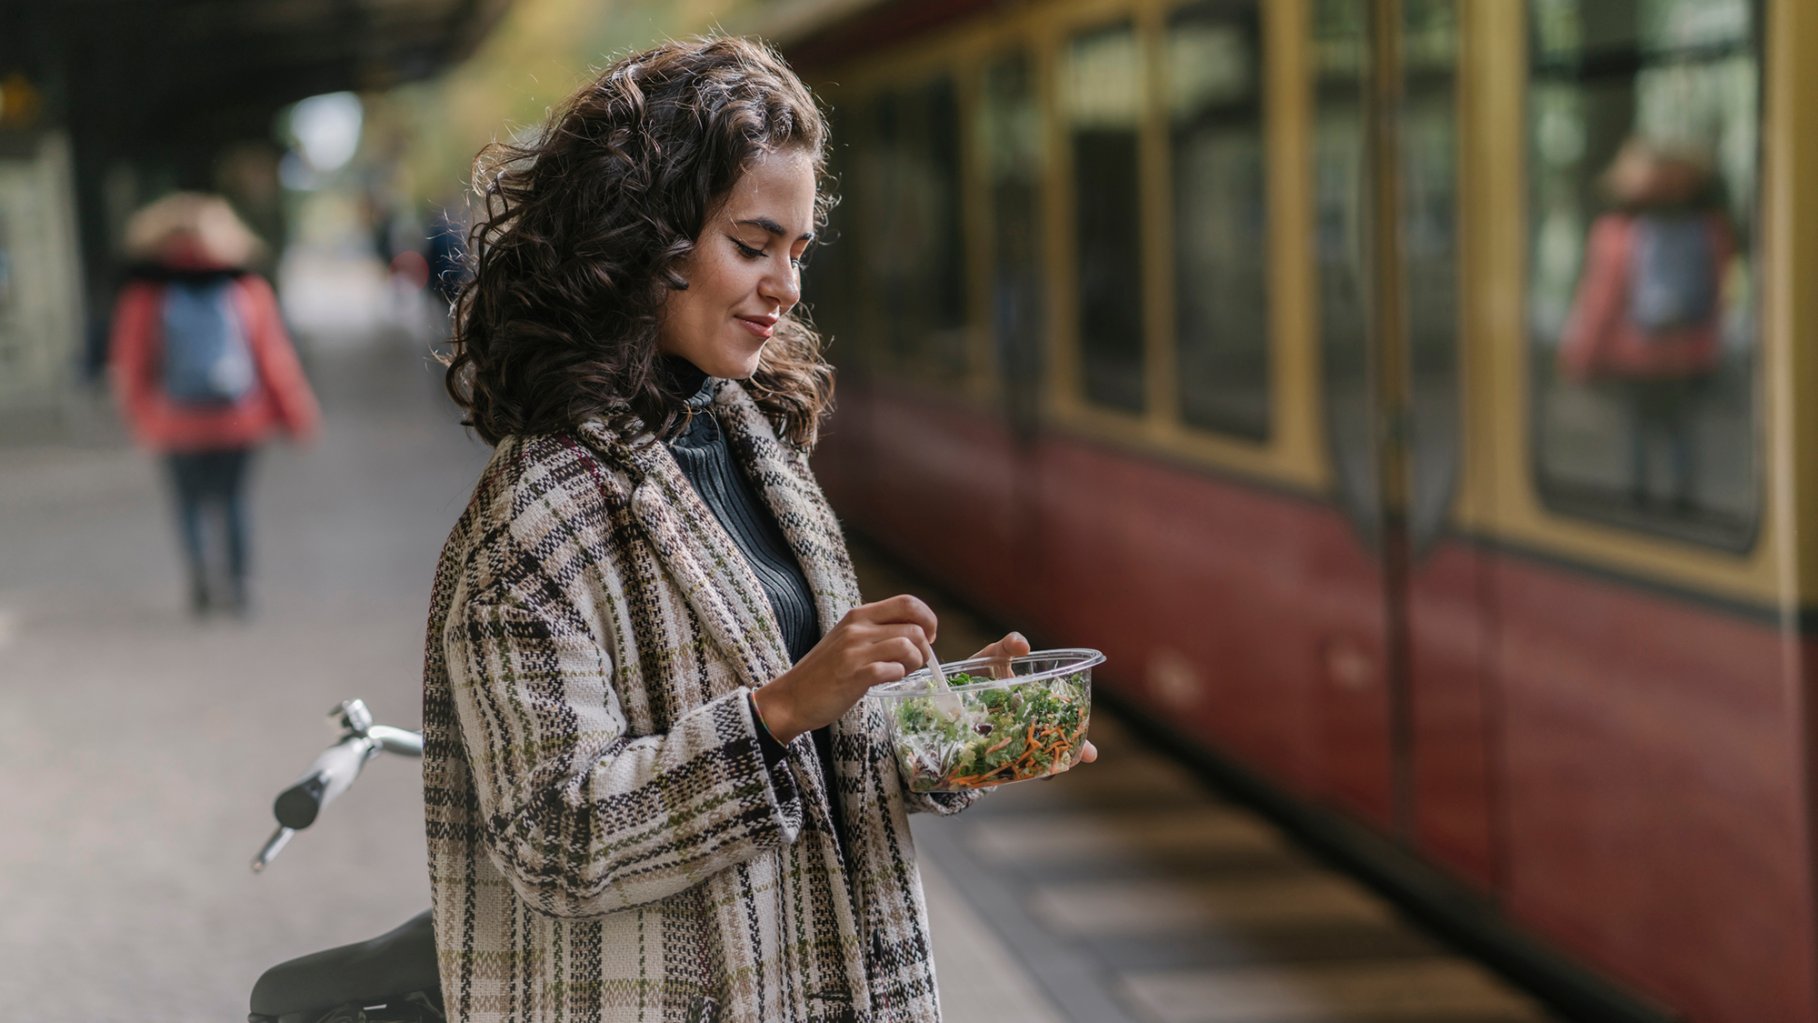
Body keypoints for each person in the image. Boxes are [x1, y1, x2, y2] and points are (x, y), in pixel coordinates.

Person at [422, 35, 1095, 1023]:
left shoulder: (755, 445)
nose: (785, 285)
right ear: (641, 242)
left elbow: (812, 754)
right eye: (752, 243)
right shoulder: (537, 519)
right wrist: (781, 708)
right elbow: (553, 840)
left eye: (798, 250)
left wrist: (953, 733)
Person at [107, 192, 319, 615]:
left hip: (174, 422)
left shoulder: (145, 293)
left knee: (187, 505)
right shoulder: (245, 286)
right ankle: (238, 587)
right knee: (233, 501)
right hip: (237, 419)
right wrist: (297, 415)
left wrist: (141, 416)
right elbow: (274, 360)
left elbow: (129, 364)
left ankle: (201, 583)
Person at [1558, 138, 1734, 511]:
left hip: (1635, 355)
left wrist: (1581, 359)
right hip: (1685, 354)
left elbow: (1599, 304)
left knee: (1637, 430)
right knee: (1678, 428)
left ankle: (1639, 502)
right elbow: (1719, 297)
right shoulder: (1710, 230)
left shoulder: (1616, 233)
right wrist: (1706, 349)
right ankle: (1682, 498)